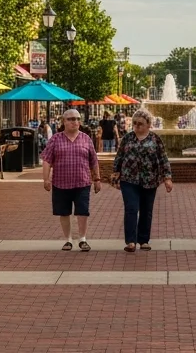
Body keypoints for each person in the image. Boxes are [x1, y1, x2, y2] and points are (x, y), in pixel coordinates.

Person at [111, 108, 174, 252]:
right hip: (129, 179)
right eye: (134, 123)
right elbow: (119, 156)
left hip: (150, 180)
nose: (137, 126)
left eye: (140, 123)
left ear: (148, 124)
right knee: (131, 208)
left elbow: (163, 158)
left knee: (146, 210)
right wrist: (115, 173)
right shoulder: (127, 138)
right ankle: (131, 241)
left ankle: (143, 240)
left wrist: (167, 177)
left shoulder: (155, 139)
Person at [41, 108, 100, 251]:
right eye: (71, 119)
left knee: (82, 211)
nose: (75, 122)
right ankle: (68, 239)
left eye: (77, 119)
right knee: (64, 212)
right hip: (61, 182)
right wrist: (46, 179)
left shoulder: (86, 138)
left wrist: (97, 179)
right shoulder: (55, 139)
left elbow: (94, 160)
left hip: (82, 182)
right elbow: (47, 160)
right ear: (64, 121)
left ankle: (82, 239)